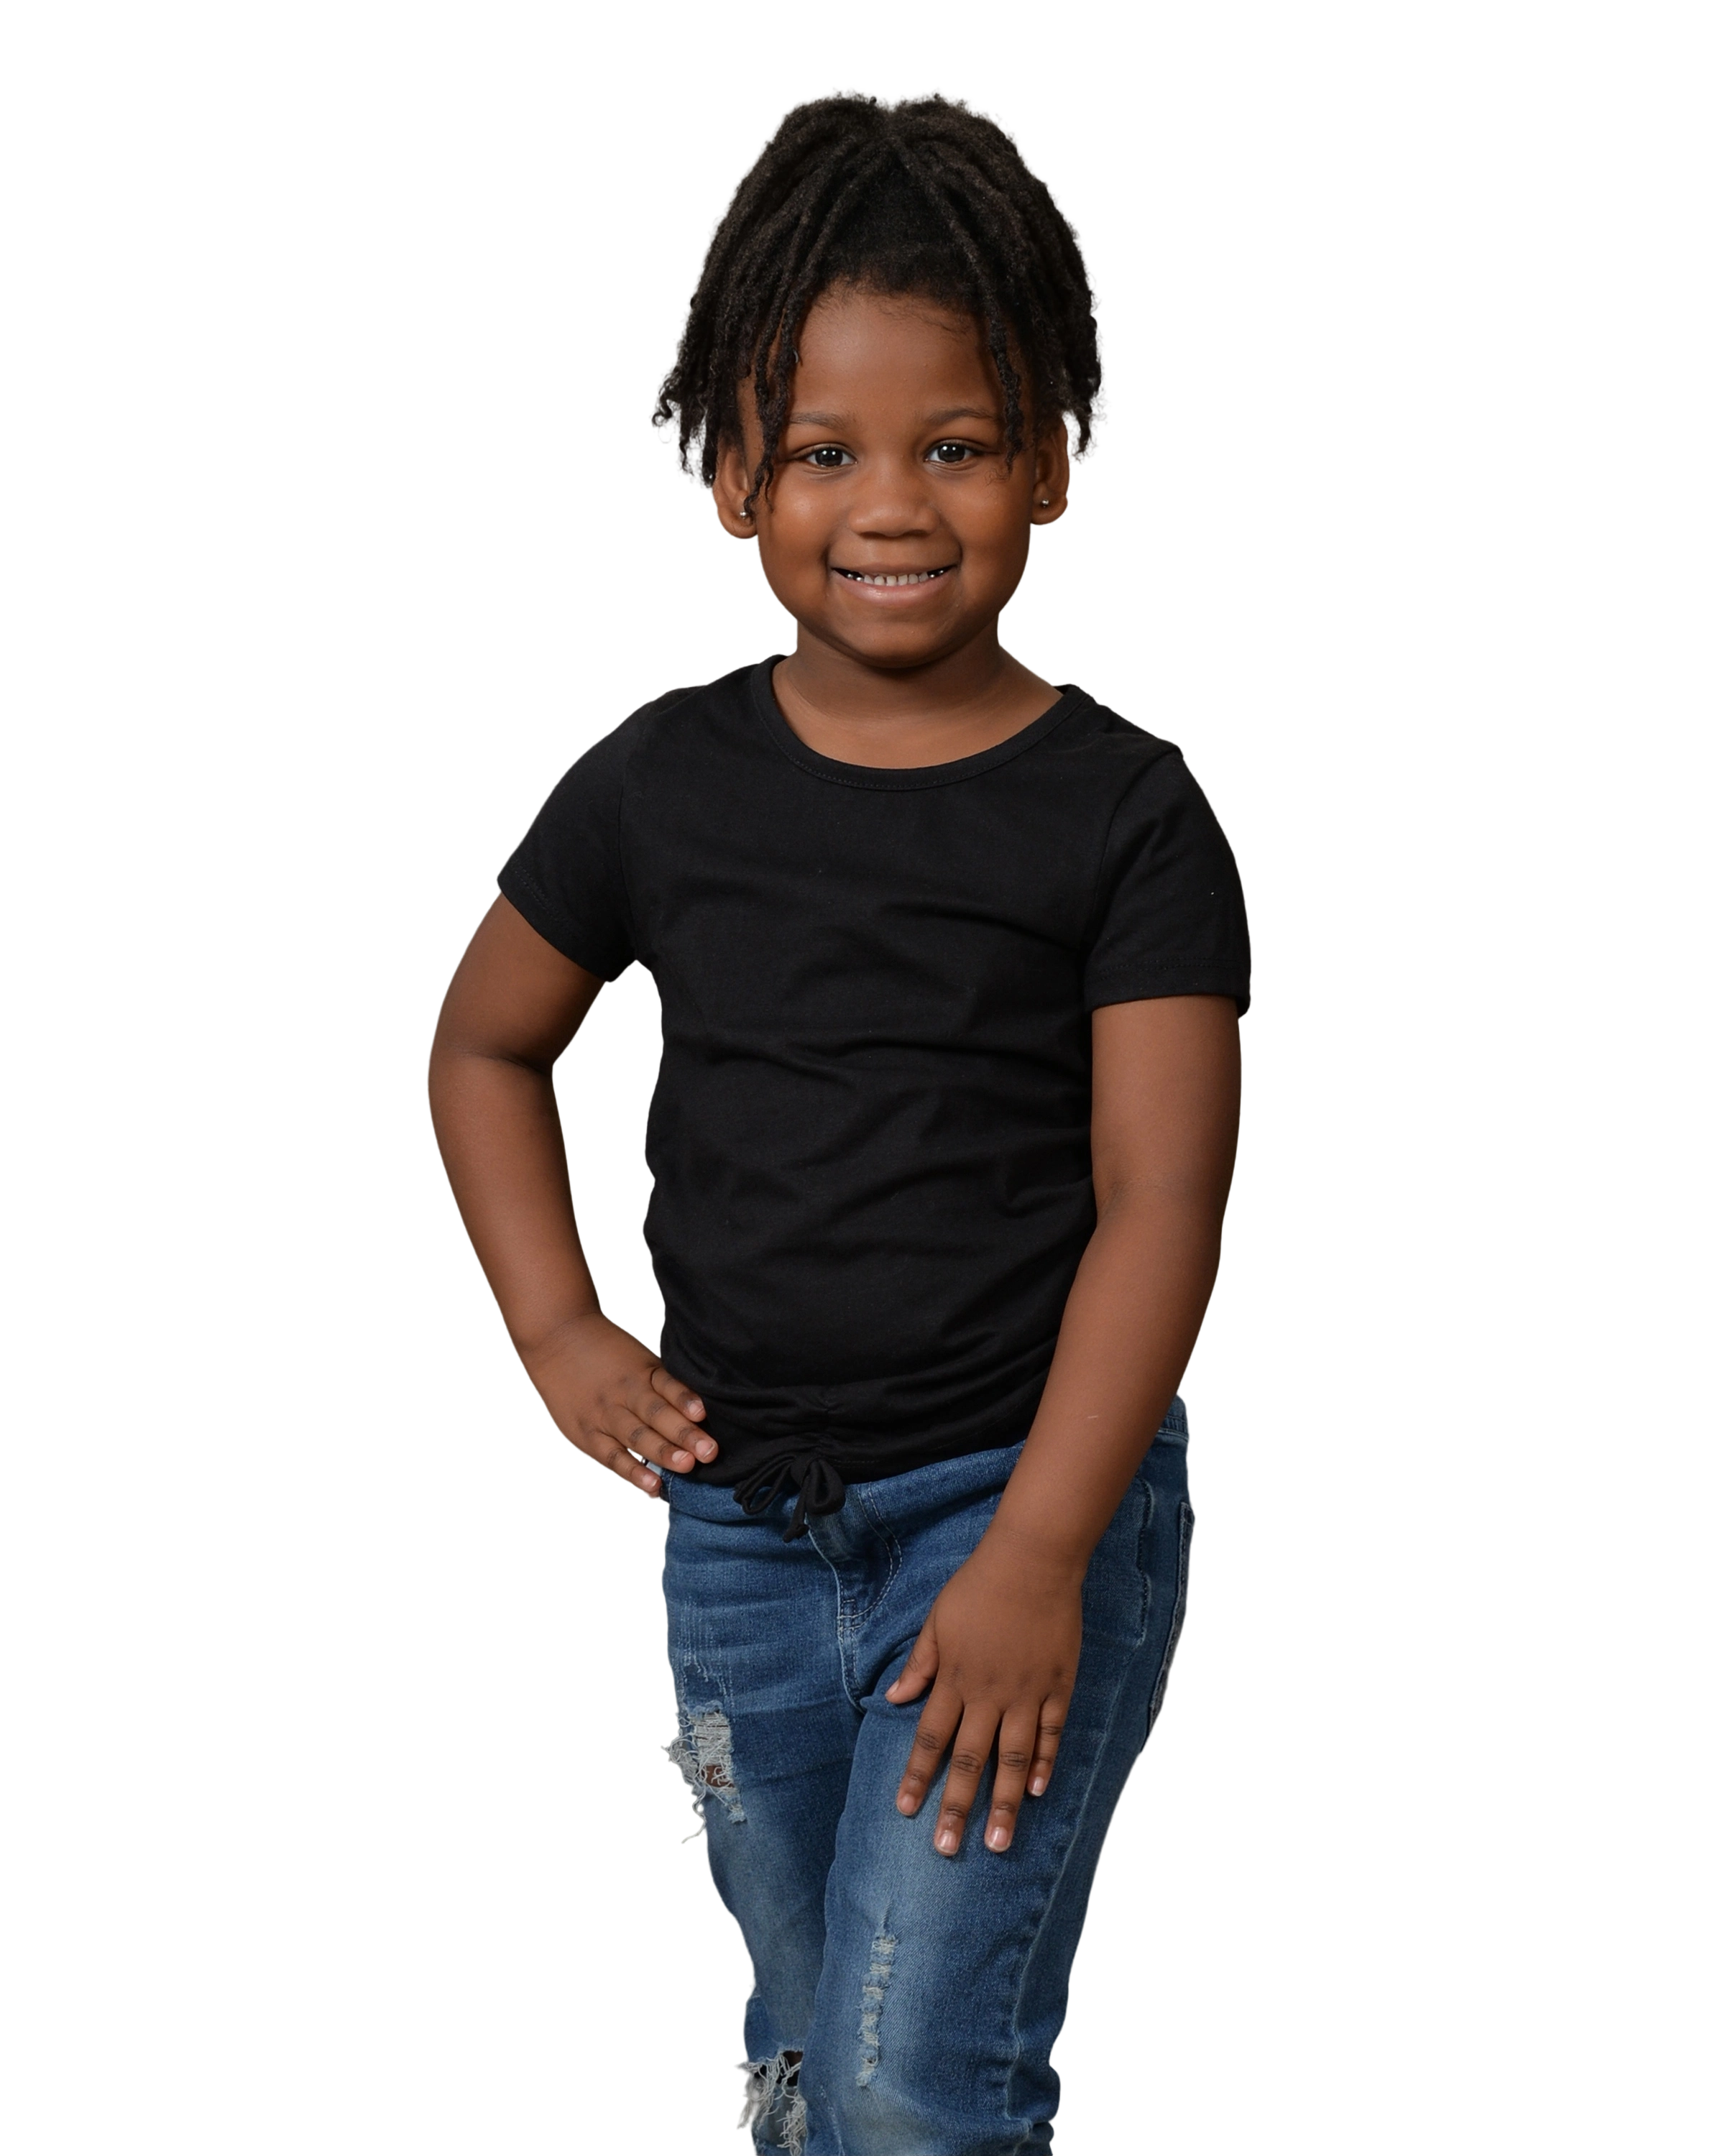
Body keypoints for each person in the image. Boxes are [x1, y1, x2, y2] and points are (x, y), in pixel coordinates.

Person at [425, 80, 1252, 2156]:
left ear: (1051, 457)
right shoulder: (655, 784)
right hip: (743, 1539)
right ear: (733, 472)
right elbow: (483, 1049)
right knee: (811, 2049)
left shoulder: (1132, 817)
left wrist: (1042, 1549)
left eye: (954, 444)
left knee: (912, 2079)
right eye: (826, 451)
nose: (893, 504)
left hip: (1016, 1505)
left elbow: (1163, 1204)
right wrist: (559, 1331)